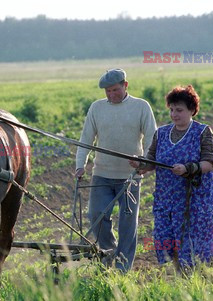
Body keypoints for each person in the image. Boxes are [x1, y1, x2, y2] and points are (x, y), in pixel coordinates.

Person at [75, 68, 157, 272]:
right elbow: (86, 138)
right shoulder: (96, 108)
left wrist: (144, 163)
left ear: (125, 85)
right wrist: (80, 164)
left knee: (128, 223)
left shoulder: (141, 107)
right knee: (96, 215)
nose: (111, 95)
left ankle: (122, 267)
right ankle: (108, 251)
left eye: (115, 90)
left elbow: (151, 139)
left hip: (130, 177)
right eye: (107, 91)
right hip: (102, 173)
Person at [129, 84, 213, 272]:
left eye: (180, 110)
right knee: (164, 238)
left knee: (188, 241)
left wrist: (188, 169)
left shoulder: (202, 132)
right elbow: (152, 161)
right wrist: (140, 164)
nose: (174, 114)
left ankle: (190, 277)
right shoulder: (161, 133)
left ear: (192, 110)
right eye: (172, 110)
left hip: (193, 199)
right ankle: (175, 273)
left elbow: (209, 162)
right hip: (165, 198)